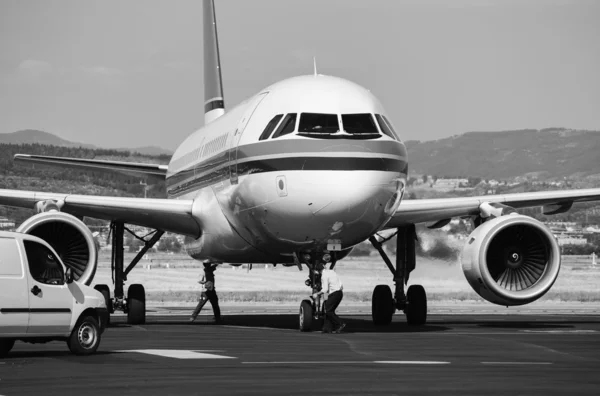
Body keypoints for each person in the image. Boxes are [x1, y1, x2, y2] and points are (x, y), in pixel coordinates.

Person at [312, 262, 345, 333]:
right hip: (340, 293)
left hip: (334, 294)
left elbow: (325, 289)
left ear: (318, 271)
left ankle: (340, 324)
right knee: (329, 310)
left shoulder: (323, 276)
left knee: (328, 310)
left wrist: (317, 294)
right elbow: (340, 284)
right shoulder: (332, 271)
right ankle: (327, 328)